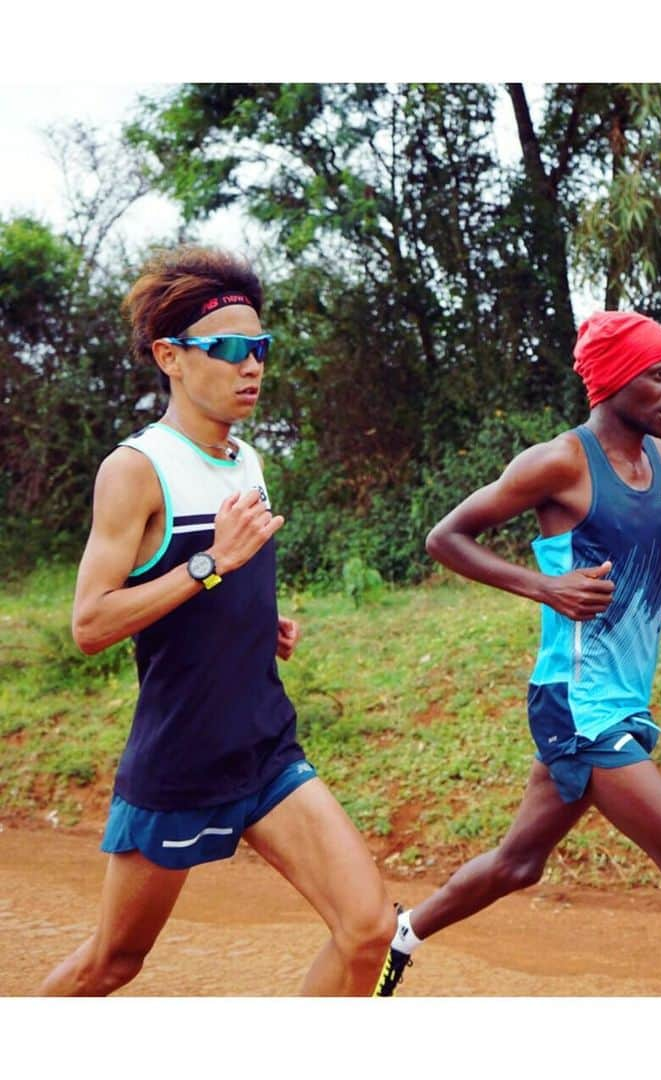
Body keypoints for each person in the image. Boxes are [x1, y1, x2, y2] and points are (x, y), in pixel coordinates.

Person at [40, 246, 396, 996]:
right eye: (229, 349)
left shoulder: (249, 461)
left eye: (259, 348)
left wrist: (256, 620)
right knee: (114, 961)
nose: (251, 366)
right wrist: (211, 568)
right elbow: (91, 622)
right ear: (170, 356)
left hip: (264, 745)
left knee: (368, 930)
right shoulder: (136, 469)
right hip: (181, 758)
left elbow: (218, 587)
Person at [375, 311, 661, 997]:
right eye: (658, 375)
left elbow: (630, 568)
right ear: (612, 381)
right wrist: (544, 586)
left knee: (519, 864)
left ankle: (403, 934)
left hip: (623, 695)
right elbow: (445, 537)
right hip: (579, 701)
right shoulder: (559, 461)